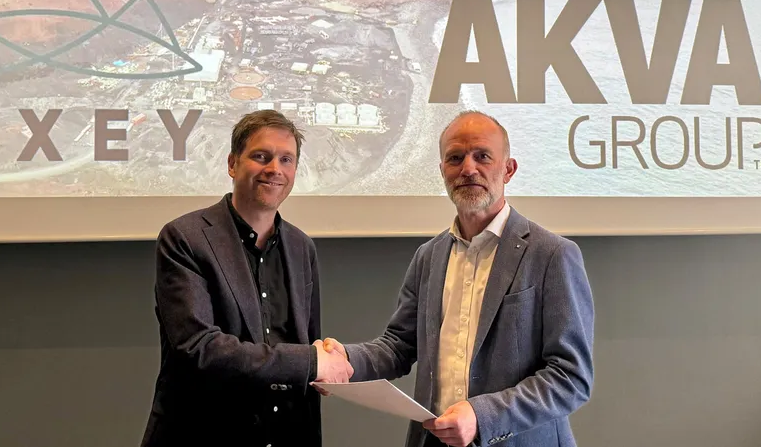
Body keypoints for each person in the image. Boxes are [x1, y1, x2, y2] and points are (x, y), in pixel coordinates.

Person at [321, 111, 595, 447]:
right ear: (442, 171)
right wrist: (345, 359)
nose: (468, 169)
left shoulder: (553, 255)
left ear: (508, 169)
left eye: (482, 156)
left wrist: (482, 416)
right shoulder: (429, 256)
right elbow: (399, 346)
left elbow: (571, 377)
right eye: (455, 158)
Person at [140, 109, 353, 447]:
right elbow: (200, 349)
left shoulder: (302, 248)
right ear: (232, 164)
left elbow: (305, 342)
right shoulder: (185, 238)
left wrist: (320, 357)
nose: (275, 169)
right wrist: (311, 362)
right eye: (261, 156)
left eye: (287, 159)